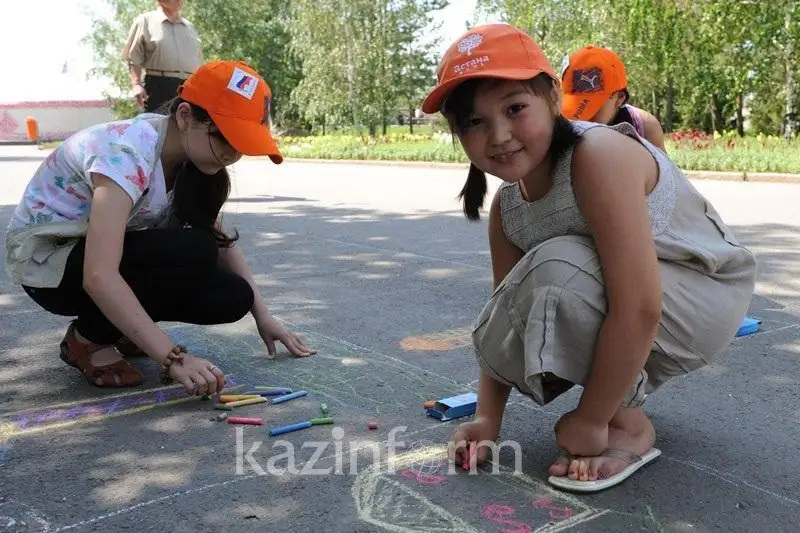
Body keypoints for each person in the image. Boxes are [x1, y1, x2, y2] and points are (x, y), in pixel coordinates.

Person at [421, 24, 756, 492]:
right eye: (474, 123)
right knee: (527, 291)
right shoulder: (508, 207)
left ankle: (629, 426)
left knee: (558, 266)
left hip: (702, 294)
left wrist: (593, 418)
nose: (498, 136)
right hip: (643, 300)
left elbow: (640, 305)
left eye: (515, 108)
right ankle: (614, 404)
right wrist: (486, 419)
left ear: (552, 99)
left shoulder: (596, 154)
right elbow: (506, 313)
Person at [5, 60, 314, 396]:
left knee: (233, 295)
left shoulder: (192, 162)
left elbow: (223, 243)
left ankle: (121, 328)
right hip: (47, 264)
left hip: (102, 254)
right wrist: (173, 359)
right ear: (184, 116)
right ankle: (87, 340)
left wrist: (264, 316)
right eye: (224, 139)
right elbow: (99, 274)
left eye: (242, 145)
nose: (231, 154)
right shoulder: (128, 152)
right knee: (193, 249)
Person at [561, 45, 667, 151]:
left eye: (592, 108)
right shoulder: (561, 125)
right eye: (574, 106)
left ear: (619, 98)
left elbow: (665, 167)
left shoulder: (644, 128)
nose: (582, 119)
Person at [122, 0, 204, 112]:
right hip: (159, 86)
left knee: (188, 127)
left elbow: (198, 60)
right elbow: (134, 56)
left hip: (189, 88)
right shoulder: (145, 21)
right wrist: (137, 84)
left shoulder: (189, 27)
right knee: (159, 127)